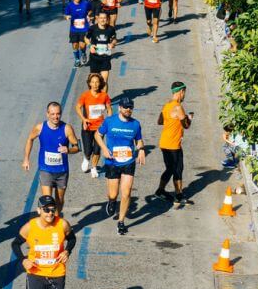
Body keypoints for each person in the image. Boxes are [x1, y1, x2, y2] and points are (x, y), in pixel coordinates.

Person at [96, 98, 145, 235]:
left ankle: (121, 222)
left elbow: (139, 140)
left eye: (130, 107)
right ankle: (111, 201)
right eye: (125, 107)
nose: (128, 109)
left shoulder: (135, 124)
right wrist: (104, 149)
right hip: (112, 162)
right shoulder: (110, 121)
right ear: (119, 108)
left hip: (128, 162)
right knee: (113, 194)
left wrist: (141, 149)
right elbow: (98, 135)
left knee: (127, 192)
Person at [22, 102, 81, 215]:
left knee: (59, 201)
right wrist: (26, 159)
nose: (55, 117)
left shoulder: (67, 128)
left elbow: (77, 147)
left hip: (61, 171)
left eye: (58, 114)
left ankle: (57, 221)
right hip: (46, 170)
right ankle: (49, 224)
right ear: (47, 114)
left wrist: (68, 150)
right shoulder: (40, 127)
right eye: (52, 114)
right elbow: (30, 139)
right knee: (47, 201)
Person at [155, 82, 193, 207]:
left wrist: (172, 121)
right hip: (173, 144)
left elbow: (160, 121)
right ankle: (178, 195)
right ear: (181, 91)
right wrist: (189, 118)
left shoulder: (167, 105)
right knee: (177, 169)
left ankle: (160, 191)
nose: (184, 95)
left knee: (170, 168)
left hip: (165, 142)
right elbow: (186, 125)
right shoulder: (178, 107)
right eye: (184, 92)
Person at [75, 73, 112, 178]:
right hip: (87, 127)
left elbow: (109, 109)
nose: (95, 84)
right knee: (88, 150)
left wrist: (108, 122)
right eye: (93, 82)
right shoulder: (85, 95)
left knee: (96, 149)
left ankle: (94, 167)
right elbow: (77, 107)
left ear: (100, 83)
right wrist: (84, 119)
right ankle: (86, 158)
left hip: (99, 128)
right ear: (89, 84)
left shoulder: (104, 96)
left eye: (97, 82)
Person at [86, 11, 117, 88]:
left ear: (107, 19)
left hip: (105, 58)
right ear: (98, 19)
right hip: (94, 58)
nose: (103, 20)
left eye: (104, 18)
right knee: (93, 83)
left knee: (104, 82)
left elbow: (114, 39)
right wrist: (90, 46)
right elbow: (86, 38)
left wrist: (112, 44)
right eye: (101, 18)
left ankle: (104, 99)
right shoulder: (92, 28)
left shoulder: (111, 29)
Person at [64, 0, 91, 67]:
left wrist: (88, 15)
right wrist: (67, 17)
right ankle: (77, 60)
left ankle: (83, 53)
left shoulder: (85, 3)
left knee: (82, 45)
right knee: (75, 44)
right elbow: (65, 14)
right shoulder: (70, 5)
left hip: (84, 28)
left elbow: (90, 10)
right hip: (74, 29)